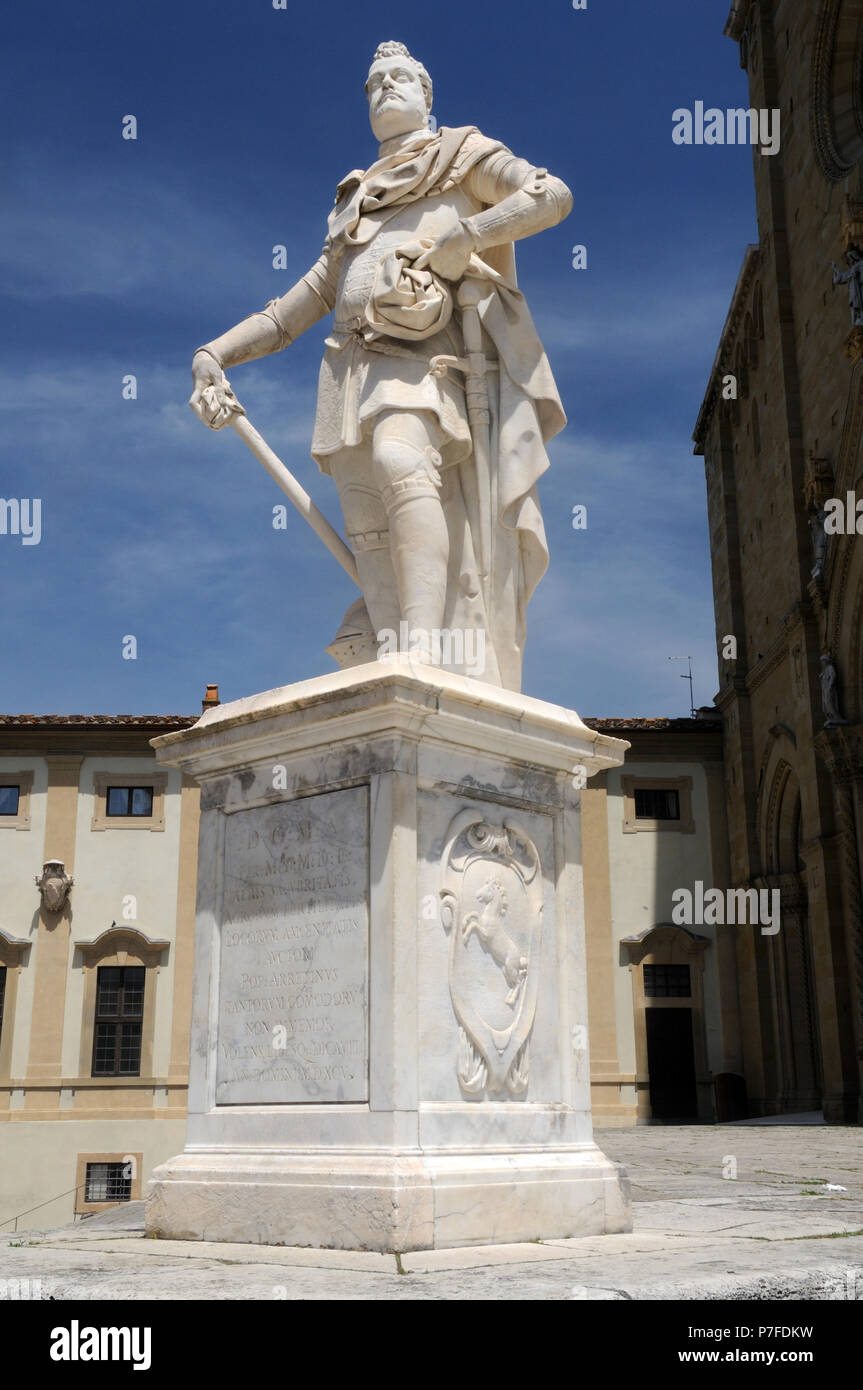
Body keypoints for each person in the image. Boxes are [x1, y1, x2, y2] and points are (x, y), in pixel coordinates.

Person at [190, 40, 573, 691]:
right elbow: (295, 308)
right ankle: (394, 657)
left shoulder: (461, 156)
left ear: (427, 94)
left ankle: (424, 648)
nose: (385, 88)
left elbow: (550, 195)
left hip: (428, 358)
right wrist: (215, 353)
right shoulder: (353, 200)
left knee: (403, 461)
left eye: (399, 78)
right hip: (347, 371)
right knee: (366, 522)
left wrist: (471, 236)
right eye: (373, 83)